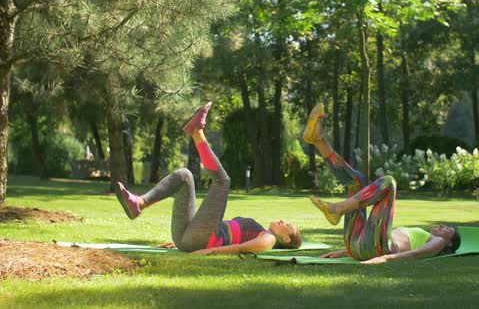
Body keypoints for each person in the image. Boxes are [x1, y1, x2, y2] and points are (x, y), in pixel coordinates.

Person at [115, 101, 301, 255]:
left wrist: (208, 252)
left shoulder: (268, 239)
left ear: (285, 238)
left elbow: (240, 248)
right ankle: (140, 203)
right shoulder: (262, 231)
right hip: (192, 237)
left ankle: (197, 131)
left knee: (223, 182)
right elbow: (214, 222)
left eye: (288, 226)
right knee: (185, 176)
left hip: (204, 241)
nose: (284, 221)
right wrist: (188, 241)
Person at [303, 103, 460, 264]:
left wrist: (386, 258)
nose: (442, 225)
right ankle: (318, 141)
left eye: (448, 229)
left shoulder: (438, 242)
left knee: (389, 182)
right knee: (357, 180)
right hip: (362, 244)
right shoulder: (425, 235)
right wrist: (346, 252)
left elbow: (417, 254)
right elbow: (376, 232)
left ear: (449, 243)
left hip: (379, 249)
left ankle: (338, 209)